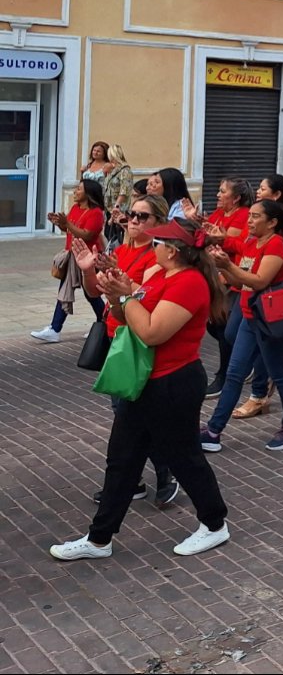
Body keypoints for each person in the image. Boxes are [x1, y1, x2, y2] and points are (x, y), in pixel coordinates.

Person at [49, 218, 231, 561]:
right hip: (146, 382)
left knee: (184, 458)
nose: (153, 245)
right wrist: (116, 294)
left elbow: (151, 332)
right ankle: (99, 538)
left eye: (158, 242)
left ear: (173, 251)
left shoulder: (189, 283)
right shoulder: (160, 275)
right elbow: (126, 315)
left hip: (174, 382)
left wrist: (125, 295)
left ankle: (215, 523)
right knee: (122, 459)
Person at [71, 193, 177, 507]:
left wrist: (121, 276)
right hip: (117, 337)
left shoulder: (158, 256)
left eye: (142, 216)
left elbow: (146, 297)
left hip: (139, 338)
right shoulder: (118, 249)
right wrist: (89, 269)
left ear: (158, 224)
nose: (133, 220)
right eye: (131, 214)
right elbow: (97, 292)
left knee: (132, 413)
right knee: (125, 411)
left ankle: (157, 473)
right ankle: (141, 478)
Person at [201, 200, 283, 452]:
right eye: (250, 215)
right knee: (235, 374)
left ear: (272, 222)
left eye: (256, 217)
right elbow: (240, 278)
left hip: (270, 320)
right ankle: (213, 431)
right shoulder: (250, 241)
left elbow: (259, 281)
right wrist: (223, 257)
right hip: (250, 316)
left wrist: (227, 265)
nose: (249, 220)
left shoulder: (276, 244)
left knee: (279, 374)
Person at [32, 178, 107, 343]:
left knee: (91, 294)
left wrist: (68, 224)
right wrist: (60, 224)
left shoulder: (96, 213)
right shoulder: (75, 208)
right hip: (73, 256)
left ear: (88, 193)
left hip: (89, 258)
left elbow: (87, 234)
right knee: (68, 290)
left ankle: (103, 324)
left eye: (79, 189)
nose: (75, 191)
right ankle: (55, 328)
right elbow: (69, 230)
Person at [198, 177, 253, 398]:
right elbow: (203, 236)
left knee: (224, 327)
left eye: (223, 192)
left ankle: (226, 375)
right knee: (215, 325)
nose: (218, 195)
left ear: (236, 197)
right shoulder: (219, 215)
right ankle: (245, 363)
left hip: (234, 276)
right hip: (216, 275)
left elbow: (238, 243)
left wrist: (216, 239)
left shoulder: (244, 215)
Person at [101, 145, 134, 250]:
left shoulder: (125, 170)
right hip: (109, 208)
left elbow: (124, 190)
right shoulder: (113, 169)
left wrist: (117, 205)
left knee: (118, 236)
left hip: (119, 209)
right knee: (109, 233)